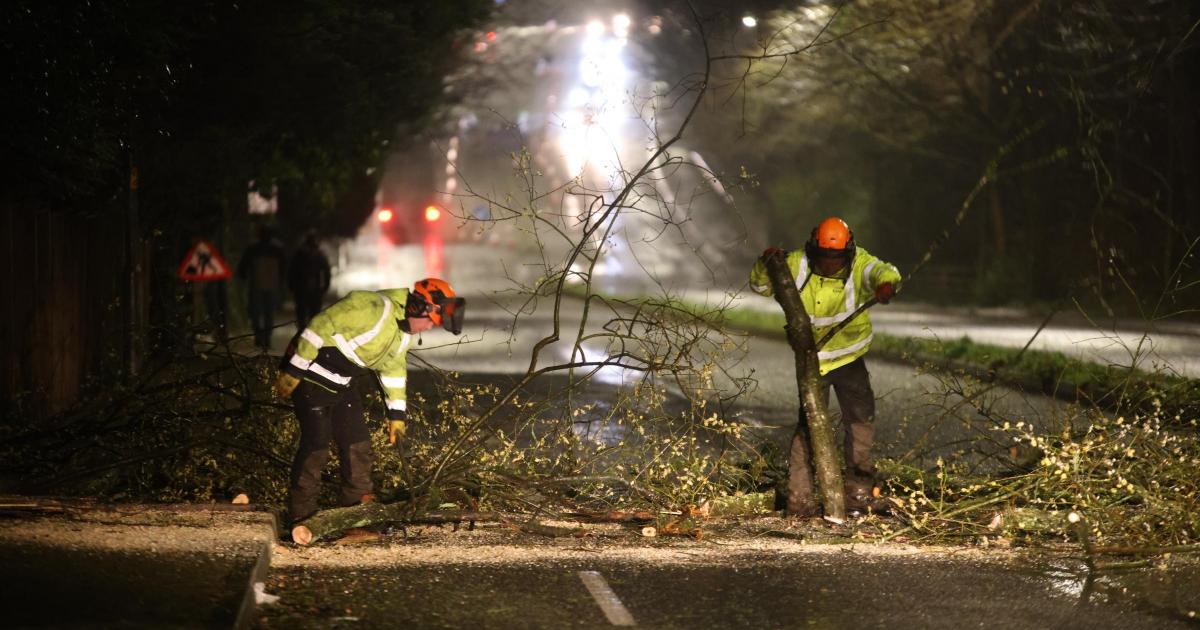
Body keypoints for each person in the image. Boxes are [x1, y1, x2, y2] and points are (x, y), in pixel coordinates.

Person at [273, 278, 465, 525]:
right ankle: (301, 513)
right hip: (311, 376)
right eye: (430, 321)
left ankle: (356, 512)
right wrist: (295, 369)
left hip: (343, 382)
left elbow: (393, 371)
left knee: (358, 444)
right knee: (317, 445)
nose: (428, 328)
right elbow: (319, 324)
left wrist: (397, 416)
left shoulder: (403, 335)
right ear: (418, 307)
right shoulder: (371, 306)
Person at [749, 216, 901, 511]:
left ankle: (858, 494)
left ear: (848, 251)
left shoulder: (860, 263)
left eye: (837, 256)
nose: (831, 263)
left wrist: (887, 284)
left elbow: (885, 270)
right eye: (825, 256)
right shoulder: (796, 263)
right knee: (808, 428)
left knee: (860, 424)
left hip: (849, 357)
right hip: (811, 362)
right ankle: (800, 500)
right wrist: (765, 263)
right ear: (813, 249)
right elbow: (759, 286)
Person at [238, 225, 288, 350]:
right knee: (268, 314)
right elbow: (284, 270)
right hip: (272, 286)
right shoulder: (278, 250)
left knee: (256, 313)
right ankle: (266, 338)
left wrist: (244, 277)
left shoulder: (253, 249)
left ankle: (260, 337)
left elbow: (243, 268)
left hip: (256, 286)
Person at [288, 230, 331, 331]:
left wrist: (292, 286)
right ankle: (308, 335)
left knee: (303, 316)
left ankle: (303, 334)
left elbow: (292, 271)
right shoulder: (318, 255)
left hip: (304, 290)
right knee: (312, 317)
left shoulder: (300, 255)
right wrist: (324, 287)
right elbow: (326, 273)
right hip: (311, 290)